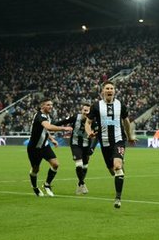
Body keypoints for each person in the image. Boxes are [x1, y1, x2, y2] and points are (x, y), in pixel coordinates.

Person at [85, 81, 136, 209]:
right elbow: (88, 122)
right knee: (112, 170)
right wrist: (89, 132)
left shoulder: (120, 105)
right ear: (103, 91)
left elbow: (126, 122)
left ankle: (118, 198)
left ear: (114, 91)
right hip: (104, 142)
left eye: (111, 88)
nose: (109, 90)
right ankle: (119, 172)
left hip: (119, 140)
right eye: (107, 88)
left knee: (117, 166)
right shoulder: (96, 106)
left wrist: (130, 136)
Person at [27, 98, 72, 197]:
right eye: (48, 105)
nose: (51, 106)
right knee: (35, 169)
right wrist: (64, 128)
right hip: (34, 148)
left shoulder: (47, 116)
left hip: (44, 146)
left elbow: (45, 130)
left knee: (55, 164)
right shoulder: (40, 116)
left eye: (51, 105)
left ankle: (47, 185)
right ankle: (35, 187)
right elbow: (48, 127)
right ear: (42, 106)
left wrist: (52, 139)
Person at [54, 103, 97, 195]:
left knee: (85, 166)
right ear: (82, 110)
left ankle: (80, 183)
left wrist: (92, 148)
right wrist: (51, 126)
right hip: (75, 144)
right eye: (84, 110)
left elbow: (98, 135)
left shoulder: (94, 121)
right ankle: (82, 183)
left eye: (87, 111)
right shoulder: (75, 117)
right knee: (79, 165)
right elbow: (62, 122)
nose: (85, 112)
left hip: (87, 145)